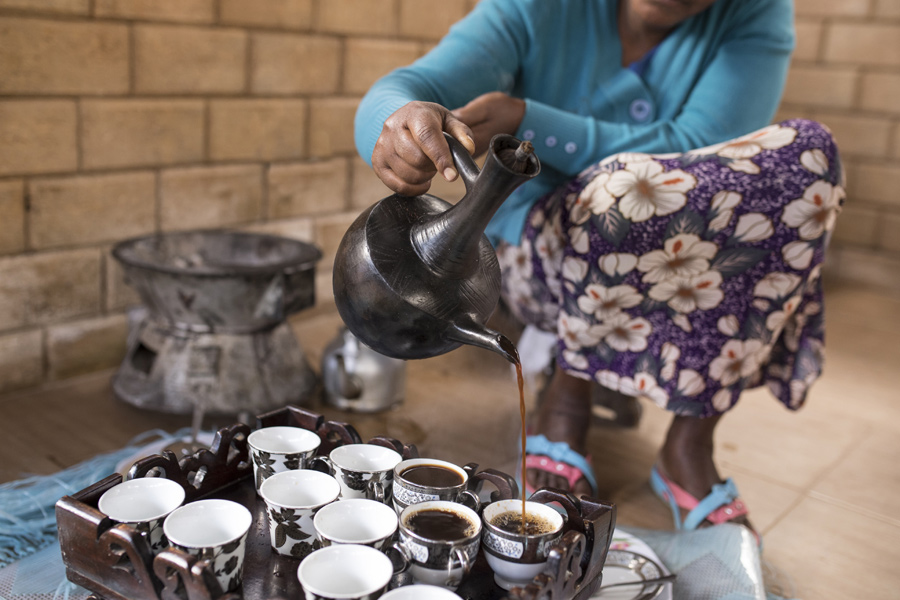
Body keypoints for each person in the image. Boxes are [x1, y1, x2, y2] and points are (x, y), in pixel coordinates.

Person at [354, 0, 843, 542]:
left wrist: (528, 119)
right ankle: (568, 398)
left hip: (687, 250)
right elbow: (408, 85)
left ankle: (690, 444)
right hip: (544, 258)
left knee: (807, 159)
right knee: (616, 190)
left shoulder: (756, 13)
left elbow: (696, 150)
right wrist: (395, 125)